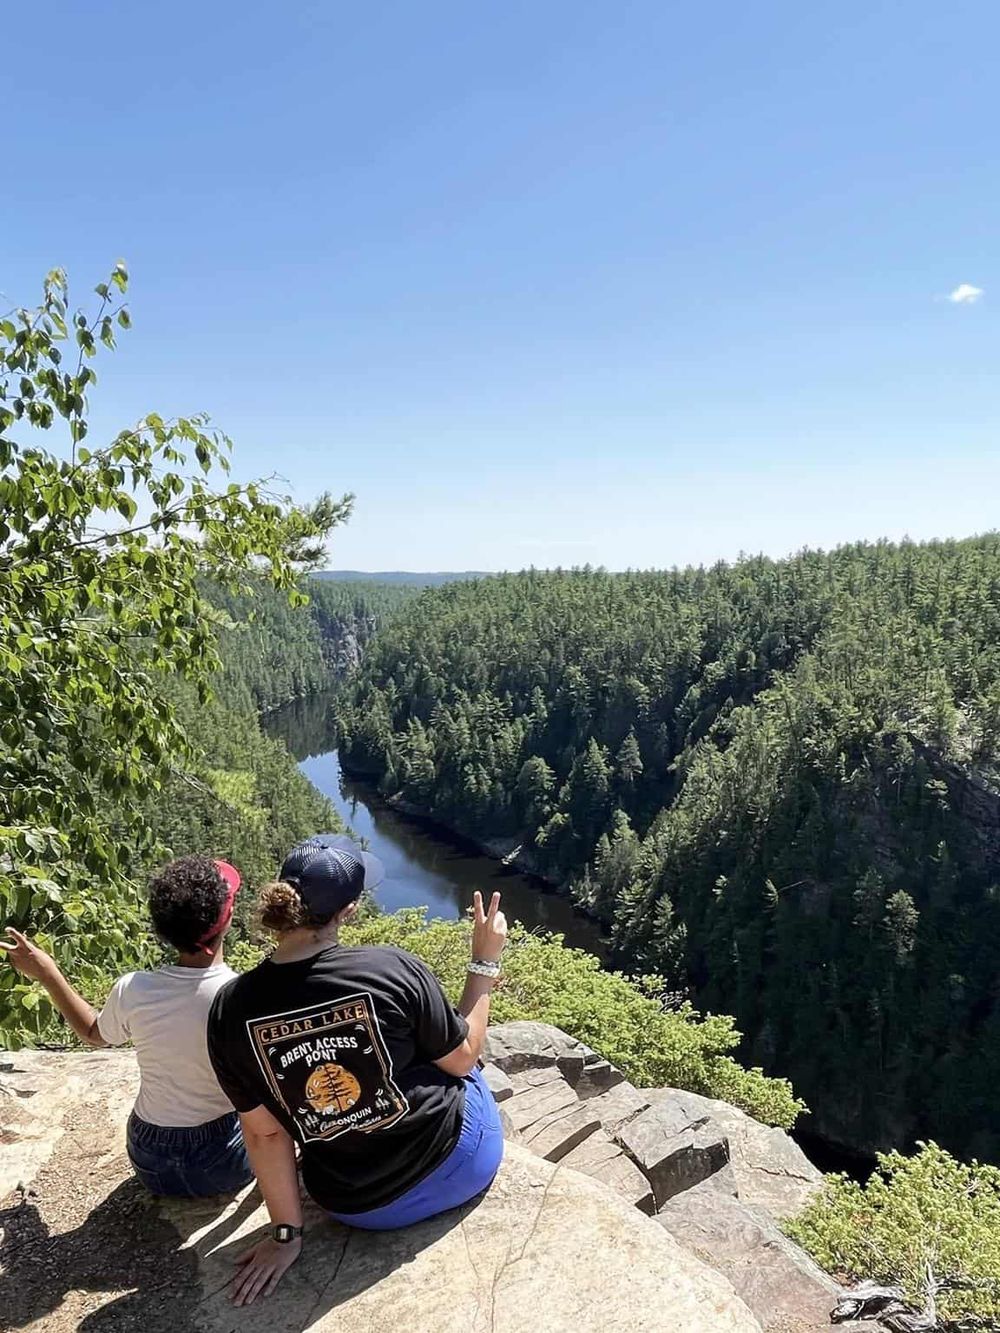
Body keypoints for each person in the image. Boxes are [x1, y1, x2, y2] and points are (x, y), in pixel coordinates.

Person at [207, 833, 507, 1307]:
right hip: (460, 1165)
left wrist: (286, 1235)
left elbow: (265, 1135)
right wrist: (484, 962)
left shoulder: (230, 1009)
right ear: (349, 911)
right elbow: (465, 1055)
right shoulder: (391, 968)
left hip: (357, 1206)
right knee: (461, 1062)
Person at [0, 855, 253, 1198]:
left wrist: (47, 972)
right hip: (220, 1161)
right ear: (228, 919)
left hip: (149, 1156)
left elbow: (93, 1034)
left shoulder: (135, 988)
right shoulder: (242, 997)